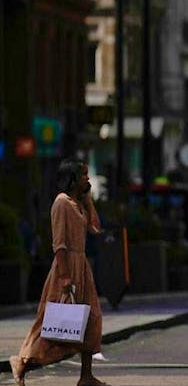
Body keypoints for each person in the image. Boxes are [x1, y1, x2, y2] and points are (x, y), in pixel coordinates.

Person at [10, 159, 106, 386]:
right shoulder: (61, 203)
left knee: (92, 319)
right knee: (51, 324)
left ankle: (86, 376)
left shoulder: (78, 203)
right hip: (66, 267)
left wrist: (88, 199)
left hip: (82, 266)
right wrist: (64, 276)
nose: (88, 179)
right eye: (83, 175)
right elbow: (59, 244)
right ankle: (21, 361)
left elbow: (95, 228)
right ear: (72, 178)